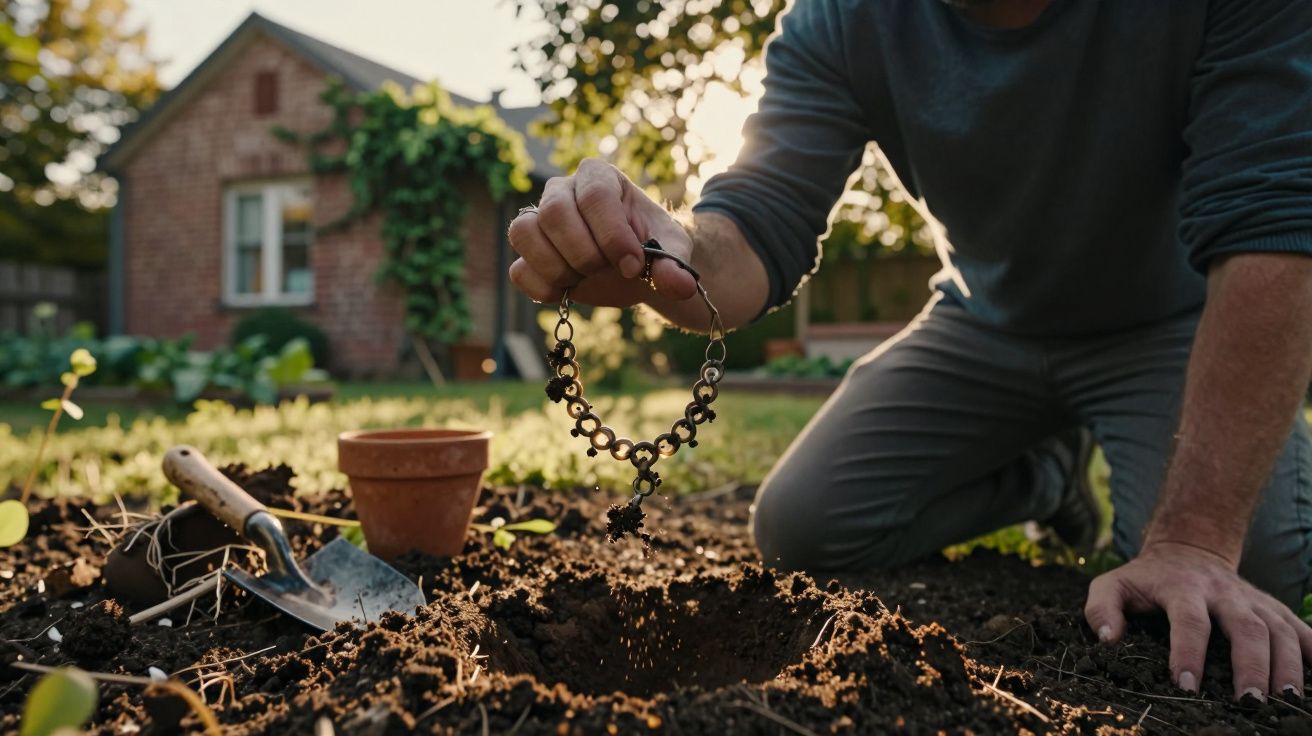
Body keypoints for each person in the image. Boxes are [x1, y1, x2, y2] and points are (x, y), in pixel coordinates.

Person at [506, 0, 1312, 701]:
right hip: (984, 324)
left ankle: (1142, 499)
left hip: (1169, 321)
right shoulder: (842, 16)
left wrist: (1196, 538)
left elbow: (1272, 222)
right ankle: (1045, 476)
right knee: (803, 524)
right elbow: (758, 224)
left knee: (1241, 577)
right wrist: (669, 249)